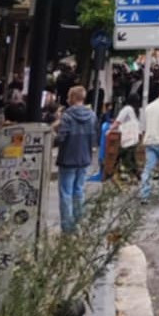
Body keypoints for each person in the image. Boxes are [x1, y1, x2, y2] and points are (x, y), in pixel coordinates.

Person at [54, 85, 97, 233]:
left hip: (68, 157)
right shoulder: (92, 115)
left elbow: (61, 138)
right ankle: (79, 222)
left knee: (66, 192)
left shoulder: (67, 116)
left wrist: (56, 127)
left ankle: (67, 227)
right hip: (84, 157)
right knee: (79, 190)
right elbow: (93, 137)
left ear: (72, 98)